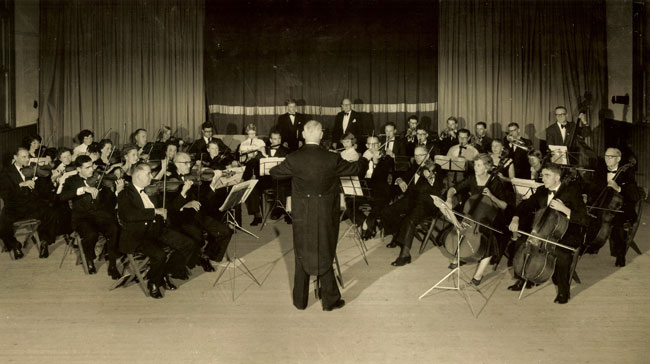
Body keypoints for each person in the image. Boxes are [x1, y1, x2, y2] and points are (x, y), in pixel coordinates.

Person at [270, 120, 366, 311]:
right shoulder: (332, 158)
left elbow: (274, 173)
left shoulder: (294, 158)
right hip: (325, 213)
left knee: (301, 252)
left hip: (301, 213)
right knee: (325, 250)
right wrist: (365, 158)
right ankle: (330, 301)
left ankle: (300, 301)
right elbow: (356, 169)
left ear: (304, 135)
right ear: (321, 135)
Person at [507, 163, 588, 304]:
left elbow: (583, 219)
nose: (542, 178)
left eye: (547, 175)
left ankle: (563, 291)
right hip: (543, 231)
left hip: (566, 232)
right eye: (542, 175)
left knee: (562, 255)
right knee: (520, 243)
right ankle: (523, 278)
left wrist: (564, 209)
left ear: (557, 177)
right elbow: (525, 205)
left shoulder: (572, 192)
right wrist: (515, 218)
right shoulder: (541, 191)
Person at [117, 163, 195, 299]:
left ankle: (164, 273)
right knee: (159, 255)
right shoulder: (125, 194)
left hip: (157, 230)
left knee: (188, 244)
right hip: (138, 236)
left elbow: (169, 208)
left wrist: (183, 193)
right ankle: (153, 282)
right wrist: (154, 211)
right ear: (138, 176)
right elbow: (128, 215)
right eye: (148, 174)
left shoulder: (151, 191)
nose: (151, 176)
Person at [445, 154, 514, 283]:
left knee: (491, 237)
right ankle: (461, 256)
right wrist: (449, 198)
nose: (475, 168)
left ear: (487, 167)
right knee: (459, 226)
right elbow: (453, 188)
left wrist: (492, 196)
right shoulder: (471, 178)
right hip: (470, 212)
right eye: (475, 165)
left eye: (479, 165)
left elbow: (504, 205)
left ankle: (479, 273)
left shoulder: (495, 181)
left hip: (490, 216)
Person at [59, 155, 122, 278]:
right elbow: (62, 197)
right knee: (91, 234)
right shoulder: (71, 181)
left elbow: (111, 203)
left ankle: (113, 265)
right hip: (82, 218)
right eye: (87, 168)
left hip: (99, 215)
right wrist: (82, 189)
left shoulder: (98, 180)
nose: (92, 170)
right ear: (79, 169)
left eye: (92, 166)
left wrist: (117, 192)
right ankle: (89, 258)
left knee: (114, 229)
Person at [167, 152, 233, 267]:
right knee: (198, 238)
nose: (189, 165)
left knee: (225, 232)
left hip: (198, 215)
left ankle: (209, 256)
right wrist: (186, 202)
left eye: (190, 162)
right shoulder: (170, 180)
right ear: (177, 164)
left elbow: (204, 201)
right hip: (182, 219)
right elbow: (171, 207)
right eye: (186, 163)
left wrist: (213, 183)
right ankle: (195, 258)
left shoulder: (192, 177)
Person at [584, 148, 641, 266]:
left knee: (618, 226)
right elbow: (592, 188)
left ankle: (620, 256)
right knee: (589, 217)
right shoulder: (600, 171)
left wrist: (618, 188)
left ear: (618, 159)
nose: (607, 159)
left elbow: (634, 195)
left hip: (621, 209)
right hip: (602, 205)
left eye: (611, 157)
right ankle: (591, 246)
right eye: (606, 156)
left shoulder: (627, 173)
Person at [384, 158, 444, 267]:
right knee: (388, 211)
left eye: (421, 154)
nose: (418, 157)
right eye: (416, 155)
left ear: (428, 155)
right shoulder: (414, 168)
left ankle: (405, 255)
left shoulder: (436, 168)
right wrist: (399, 180)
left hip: (427, 203)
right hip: (412, 200)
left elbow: (438, 186)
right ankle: (397, 235)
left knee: (410, 220)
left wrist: (430, 177)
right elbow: (400, 176)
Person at [0, 147, 57, 259]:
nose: (27, 159)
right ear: (15, 158)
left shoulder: (32, 169)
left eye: (28, 156)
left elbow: (43, 191)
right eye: (24, 157)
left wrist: (48, 180)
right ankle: (14, 245)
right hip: (14, 206)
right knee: (2, 224)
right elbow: (4, 193)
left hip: (32, 204)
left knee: (52, 213)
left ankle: (44, 242)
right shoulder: (6, 172)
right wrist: (20, 185)